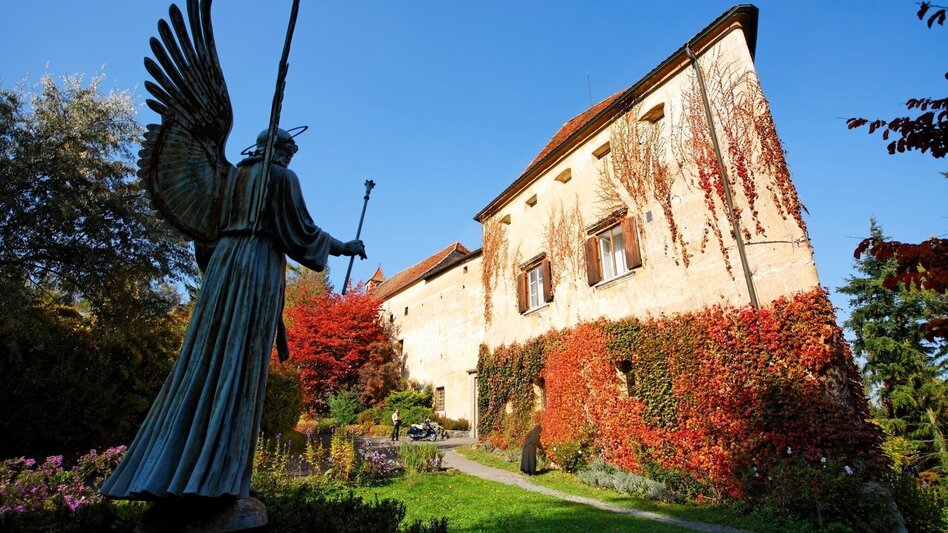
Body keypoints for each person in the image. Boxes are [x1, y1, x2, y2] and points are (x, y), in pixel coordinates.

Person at [101, 129, 365, 500]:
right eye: (288, 149)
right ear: (276, 149)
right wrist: (345, 247)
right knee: (241, 366)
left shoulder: (226, 178)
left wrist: (222, 265)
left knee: (203, 360)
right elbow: (302, 233)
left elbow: (202, 236)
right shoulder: (280, 177)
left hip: (224, 269)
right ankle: (218, 477)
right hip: (256, 266)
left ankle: (172, 469)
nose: (292, 155)